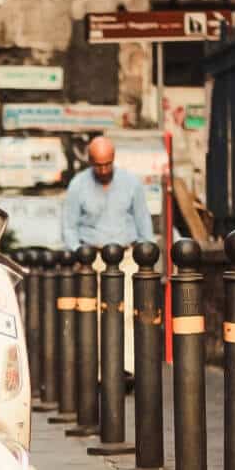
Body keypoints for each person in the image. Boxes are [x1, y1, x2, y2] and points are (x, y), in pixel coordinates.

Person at [62, 136, 154, 378]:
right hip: (95, 258)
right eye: (98, 165)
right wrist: (79, 253)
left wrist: (147, 256)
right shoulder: (78, 186)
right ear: (90, 162)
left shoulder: (131, 183)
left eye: (107, 164)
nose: (103, 170)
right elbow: (69, 226)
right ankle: (104, 370)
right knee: (101, 313)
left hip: (127, 255)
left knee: (129, 311)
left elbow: (143, 221)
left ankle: (128, 368)